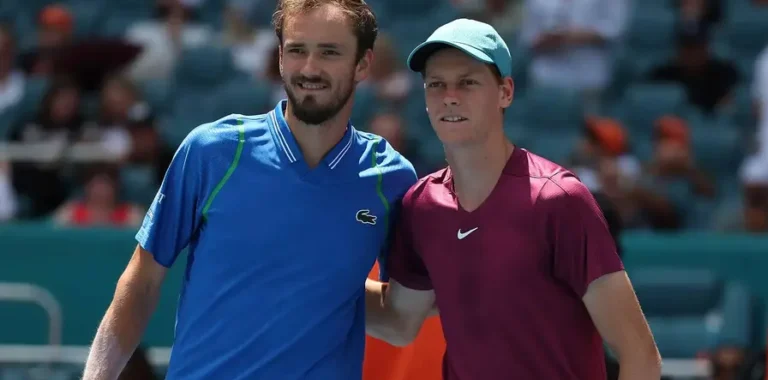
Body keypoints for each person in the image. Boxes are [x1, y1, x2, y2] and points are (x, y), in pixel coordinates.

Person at [82, 1, 417, 379]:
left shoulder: (391, 178)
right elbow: (141, 283)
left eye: (329, 52)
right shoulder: (211, 151)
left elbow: (398, 321)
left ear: (363, 64)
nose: (309, 68)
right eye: (297, 50)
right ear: (279, 58)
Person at [365, 19, 662, 379]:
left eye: (468, 82)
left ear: (506, 91)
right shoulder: (421, 207)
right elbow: (399, 321)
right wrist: (309, 276)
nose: (450, 96)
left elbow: (640, 356)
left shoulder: (559, 200)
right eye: (436, 84)